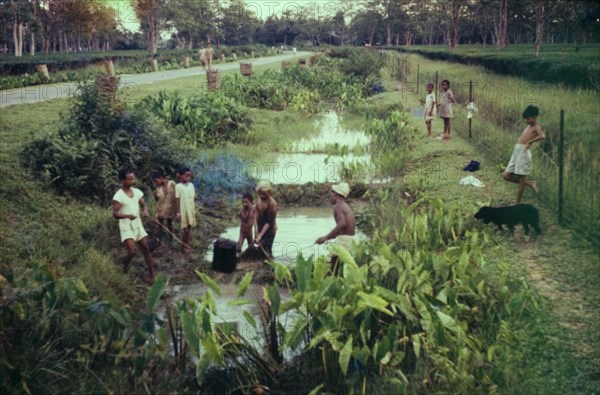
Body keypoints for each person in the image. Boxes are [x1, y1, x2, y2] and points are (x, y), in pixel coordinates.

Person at [112, 168, 155, 282]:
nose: (132, 181)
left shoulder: (136, 192)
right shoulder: (118, 196)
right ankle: (123, 267)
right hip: (126, 226)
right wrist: (127, 216)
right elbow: (115, 214)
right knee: (132, 251)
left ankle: (152, 276)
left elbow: (143, 204)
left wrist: (145, 210)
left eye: (133, 178)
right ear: (122, 181)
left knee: (146, 248)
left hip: (138, 224)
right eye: (130, 179)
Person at [502, 105, 545, 204]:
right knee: (506, 175)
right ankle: (530, 183)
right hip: (517, 151)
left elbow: (542, 135)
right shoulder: (529, 126)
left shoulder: (536, 126)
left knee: (522, 178)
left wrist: (530, 142)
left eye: (527, 119)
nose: (525, 121)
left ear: (534, 117)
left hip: (523, 153)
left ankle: (518, 201)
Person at [175, 167, 197, 255]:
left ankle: (186, 245)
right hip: (183, 210)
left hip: (190, 209)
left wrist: (194, 211)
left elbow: (192, 198)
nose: (188, 178)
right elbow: (177, 200)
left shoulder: (191, 185)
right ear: (180, 176)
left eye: (189, 176)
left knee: (189, 228)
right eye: (186, 176)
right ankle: (184, 247)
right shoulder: (178, 186)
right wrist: (177, 213)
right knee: (185, 230)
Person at [254, 181, 277, 259]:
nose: (261, 195)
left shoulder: (272, 204)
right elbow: (256, 210)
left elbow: (268, 223)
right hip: (260, 227)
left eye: (264, 193)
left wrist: (260, 236)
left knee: (266, 249)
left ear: (269, 192)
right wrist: (256, 232)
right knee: (259, 247)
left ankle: (270, 263)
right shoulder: (259, 198)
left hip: (269, 231)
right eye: (260, 193)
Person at [151, 171, 177, 242]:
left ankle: (171, 239)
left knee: (169, 223)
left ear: (162, 178)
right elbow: (157, 199)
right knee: (160, 224)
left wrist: (177, 208)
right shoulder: (158, 189)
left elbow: (177, 194)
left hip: (170, 208)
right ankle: (160, 239)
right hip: (161, 209)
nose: (156, 183)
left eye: (156, 181)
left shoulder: (172, 183)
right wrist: (155, 195)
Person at [237, 193, 256, 257]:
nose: (244, 203)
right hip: (242, 233)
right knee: (238, 248)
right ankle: (239, 257)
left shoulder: (254, 210)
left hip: (249, 233)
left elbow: (256, 222)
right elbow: (245, 218)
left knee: (251, 248)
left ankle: (249, 259)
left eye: (246, 202)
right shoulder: (242, 210)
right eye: (243, 202)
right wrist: (250, 209)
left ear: (251, 202)